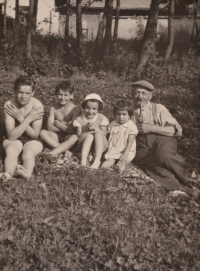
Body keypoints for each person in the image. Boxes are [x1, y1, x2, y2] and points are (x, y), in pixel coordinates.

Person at [131, 80, 197, 199]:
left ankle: (192, 178)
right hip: (141, 145)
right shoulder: (128, 112)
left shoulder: (158, 108)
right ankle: (178, 191)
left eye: (143, 93)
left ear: (150, 96)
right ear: (132, 94)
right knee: (152, 164)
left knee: (163, 154)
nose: (140, 97)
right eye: (136, 93)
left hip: (162, 139)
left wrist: (151, 128)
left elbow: (176, 131)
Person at [1, 76, 44, 181]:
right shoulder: (10, 105)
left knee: (29, 152)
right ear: (14, 91)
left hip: (32, 139)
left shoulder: (37, 106)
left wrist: (20, 118)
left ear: (33, 93)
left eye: (27, 93)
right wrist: (27, 119)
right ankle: (8, 174)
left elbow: (34, 135)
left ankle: (27, 173)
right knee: (12, 151)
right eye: (20, 92)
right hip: (14, 138)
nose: (23, 96)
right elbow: (11, 136)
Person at [40, 81, 81, 161]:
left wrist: (58, 124)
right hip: (55, 136)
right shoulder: (54, 108)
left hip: (68, 137)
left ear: (71, 96)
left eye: (66, 95)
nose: (62, 98)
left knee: (75, 137)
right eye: (60, 94)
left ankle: (51, 153)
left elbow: (72, 130)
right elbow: (49, 127)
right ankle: (65, 150)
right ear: (56, 95)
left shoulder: (75, 109)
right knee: (42, 132)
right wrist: (65, 126)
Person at [73, 93, 109, 169]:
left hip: (99, 144)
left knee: (98, 134)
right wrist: (87, 132)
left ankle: (97, 160)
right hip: (85, 143)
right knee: (89, 136)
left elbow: (105, 133)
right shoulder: (80, 119)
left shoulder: (101, 118)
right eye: (87, 108)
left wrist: (97, 129)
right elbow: (79, 134)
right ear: (83, 107)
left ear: (98, 109)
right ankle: (83, 160)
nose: (90, 111)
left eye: (94, 109)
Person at [101, 100, 138, 174]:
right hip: (114, 149)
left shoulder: (131, 126)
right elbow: (108, 137)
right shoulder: (113, 124)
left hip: (127, 151)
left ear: (129, 115)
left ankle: (117, 173)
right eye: (118, 114)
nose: (121, 117)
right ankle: (101, 171)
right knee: (109, 161)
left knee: (122, 162)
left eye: (124, 114)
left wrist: (125, 154)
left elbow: (130, 142)